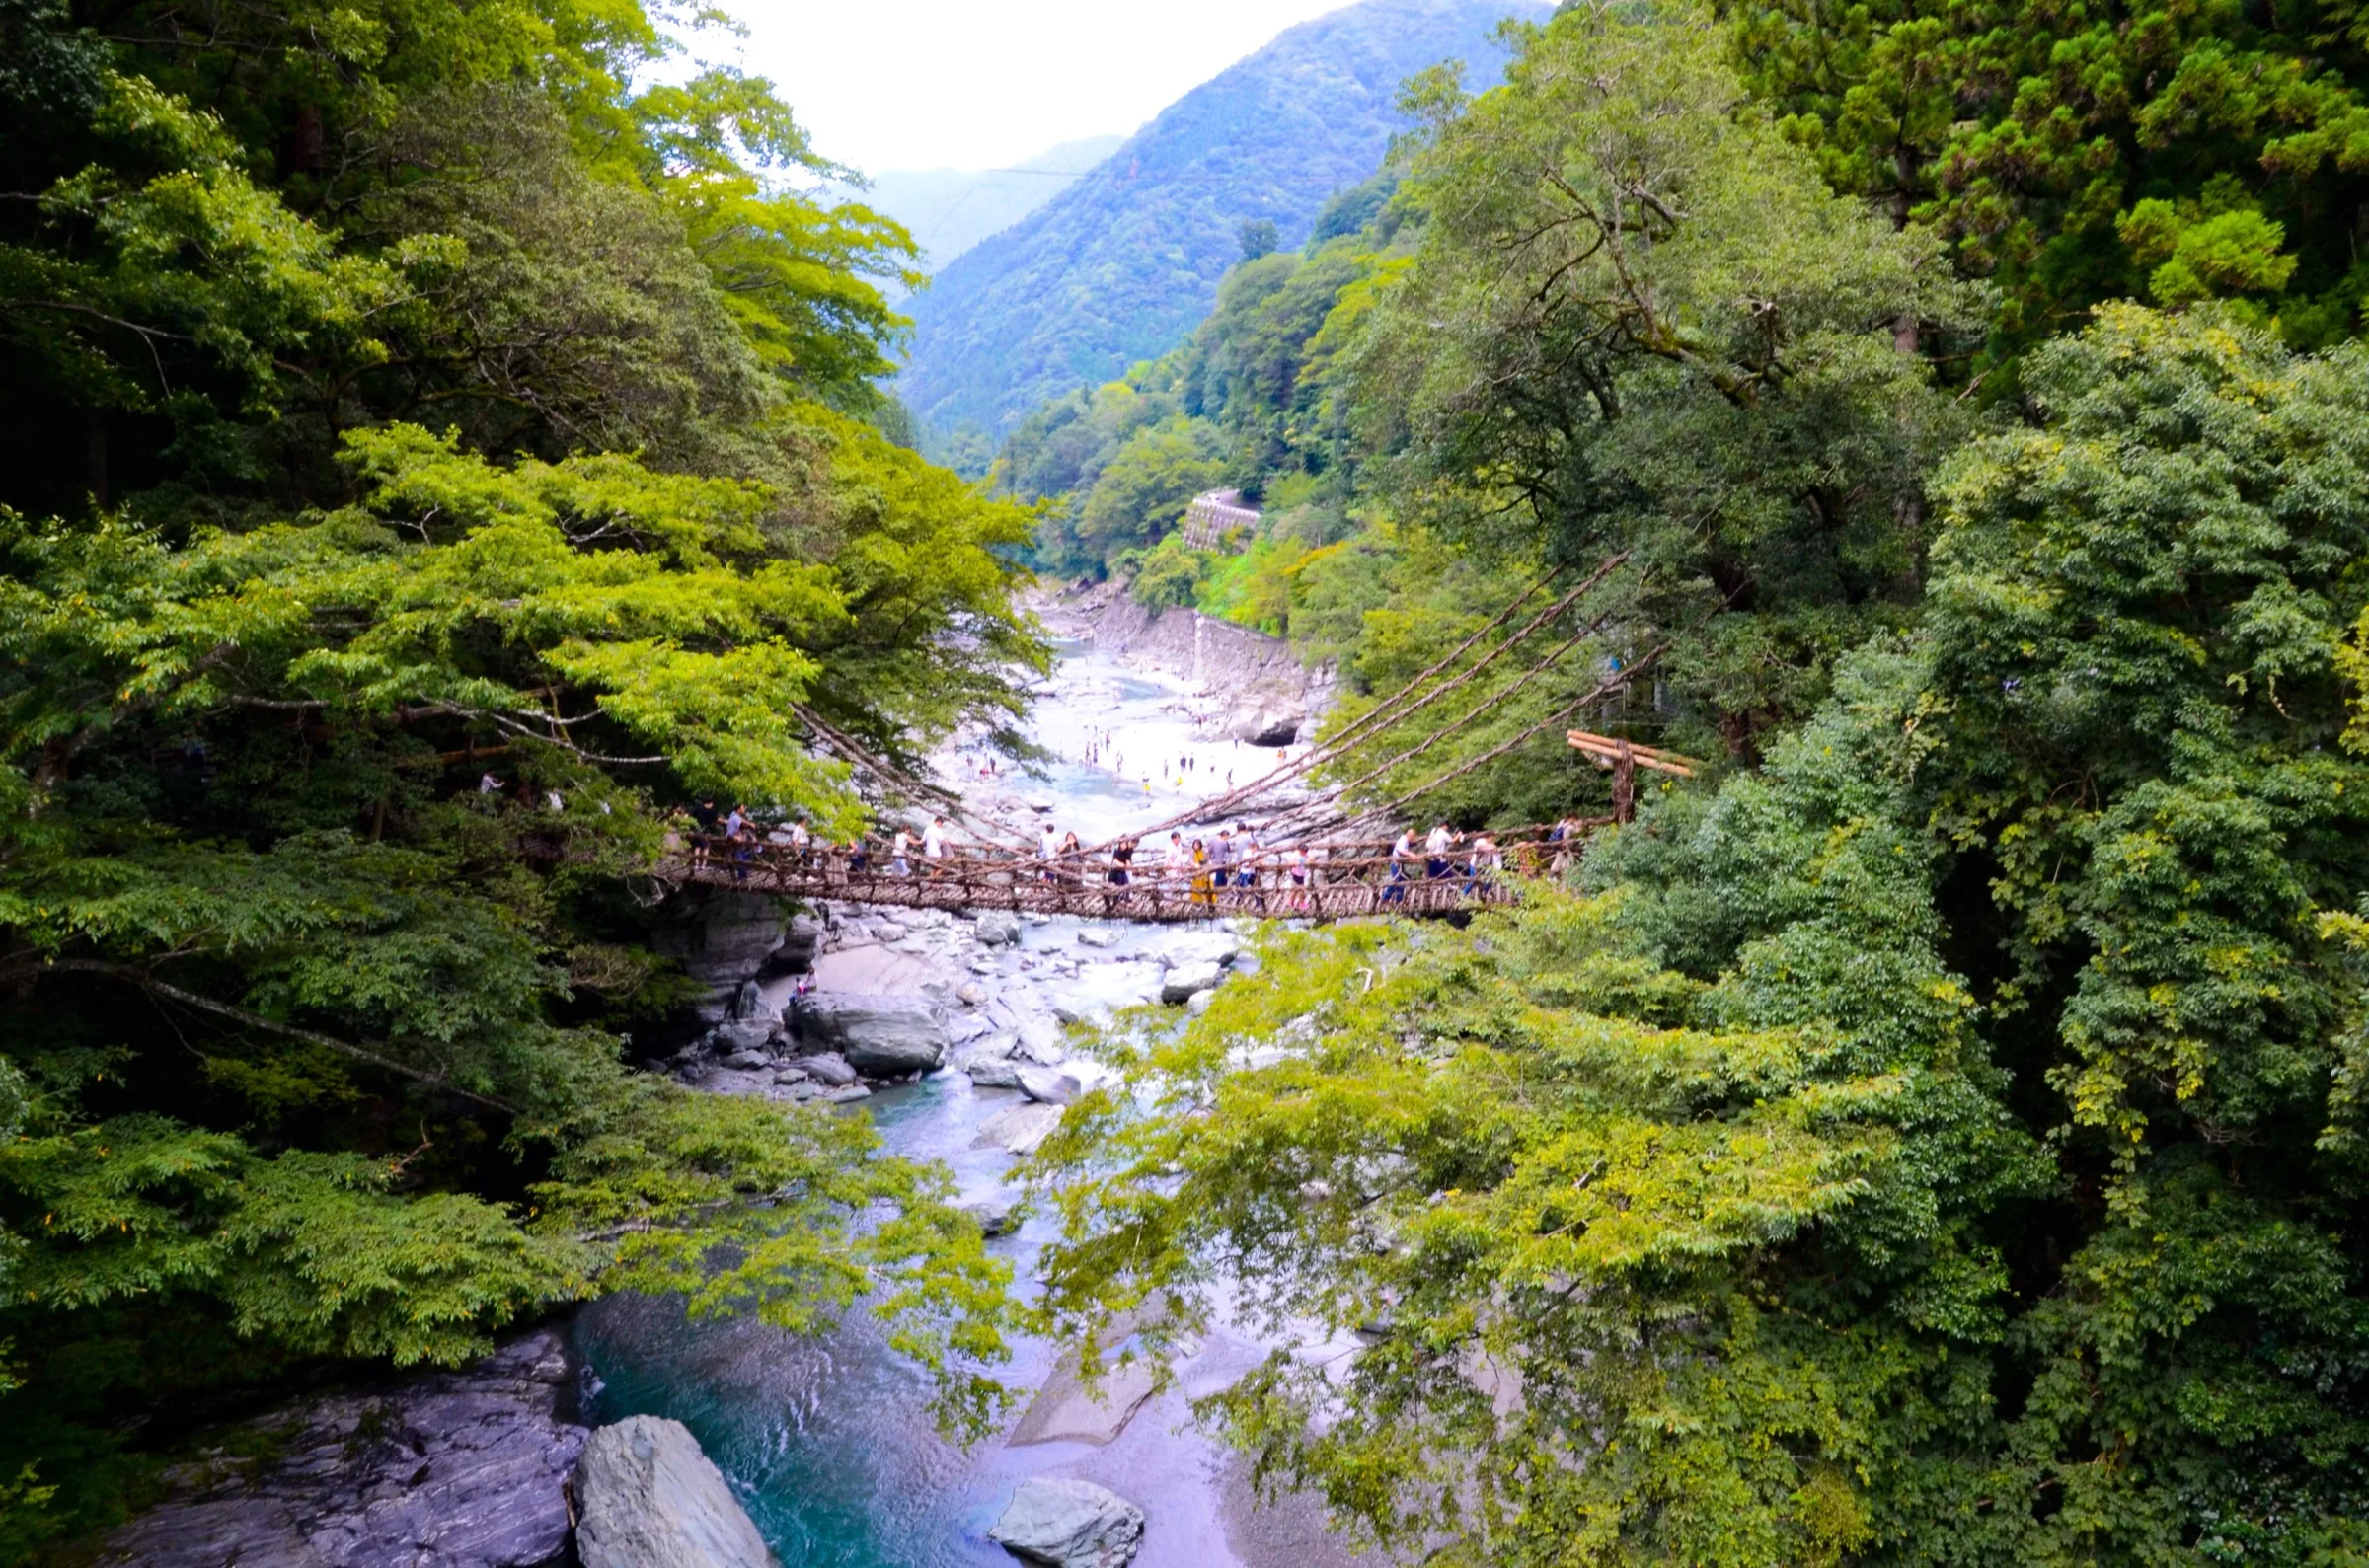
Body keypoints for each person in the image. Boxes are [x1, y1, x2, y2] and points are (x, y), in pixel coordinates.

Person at [1464, 830, 1501, 897]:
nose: (1494, 839)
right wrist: (1491, 847)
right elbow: (1479, 847)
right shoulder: (1481, 841)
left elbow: (1496, 855)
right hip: (1475, 865)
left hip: (1485, 866)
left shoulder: (1492, 845)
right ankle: (1462, 895)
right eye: (1493, 837)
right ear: (1489, 837)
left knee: (1489, 881)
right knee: (1472, 882)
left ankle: (1485, 892)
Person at [1384, 828, 1414, 905]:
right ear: (1409, 835)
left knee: (1402, 882)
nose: (1413, 839)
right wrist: (1410, 854)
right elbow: (1400, 850)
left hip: (1399, 864)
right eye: (1412, 837)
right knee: (1396, 881)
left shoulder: (1406, 841)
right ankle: (1385, 898)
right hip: (1396, 864)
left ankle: (1399, 900)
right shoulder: (1402, 841)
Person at [1189, 838, 1215, 911]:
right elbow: (1191, 861)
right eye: (1195, 844)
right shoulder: (1192, 852)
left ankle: (1209, 900)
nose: (1196, 846)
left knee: (1207, 885)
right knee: (1197, 886)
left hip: (1204, 871)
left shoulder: (1204, 851)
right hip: (1196, 872)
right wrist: (1195, 865)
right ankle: (1197, 902)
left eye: (1197, 845)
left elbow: (1207, 860)